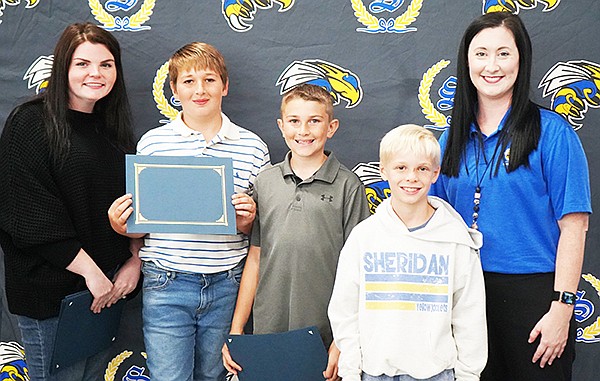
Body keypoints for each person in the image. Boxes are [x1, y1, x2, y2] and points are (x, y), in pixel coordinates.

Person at [429, 12, 591, 381]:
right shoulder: (449, 140)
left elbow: (575, 226)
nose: (491, 66)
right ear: (466, 61)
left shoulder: (552, 133)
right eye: (481, 54)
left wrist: (562, 308)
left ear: (522, 59)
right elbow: (428, 219)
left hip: (534, 299)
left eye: (503, 53)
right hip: (462, 297)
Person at [107, 42, 270, 381]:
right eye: (189, 81)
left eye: (210, 80)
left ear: (225, 86)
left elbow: (258, 233)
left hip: (227, 283)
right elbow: (140, 228)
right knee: (168, 376)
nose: (200, 90)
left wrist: (248, 221)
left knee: (216, 375)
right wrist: (121, 224)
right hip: (167, 280)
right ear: (174, 89)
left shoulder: (252, 147)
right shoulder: (153, 144)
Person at [0, 22, 141, 381]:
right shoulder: (30, 122)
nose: (95, 73)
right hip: (52, 298)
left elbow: (136, 208)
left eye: (106, 64)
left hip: (106, 291)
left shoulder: (113, 132)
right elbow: (28, 216)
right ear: (63, 67)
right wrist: (92, 274)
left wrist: (134, 262)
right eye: (83, 64)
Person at [221, 84, 370, 381]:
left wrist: (342, 342)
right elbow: (255, 259)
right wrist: (236, 331)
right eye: (294, 121)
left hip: (325, 333)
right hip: (268, 329)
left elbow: (359, 272)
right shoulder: (265, 183)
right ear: (281, 126)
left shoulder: (348, 186)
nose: (304, 130)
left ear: (332, 126)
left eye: (314, 120)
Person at [328, 124, 487, 381]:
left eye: (422, 169)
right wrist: (350, 371)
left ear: (435, 173)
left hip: (437, 374)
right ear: (384, 171)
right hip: (373, 373)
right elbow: (345, 312)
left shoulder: (456, 241)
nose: (411, 177)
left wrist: (469, 375)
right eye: (401, 168)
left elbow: (470, 316)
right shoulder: (364, 237)